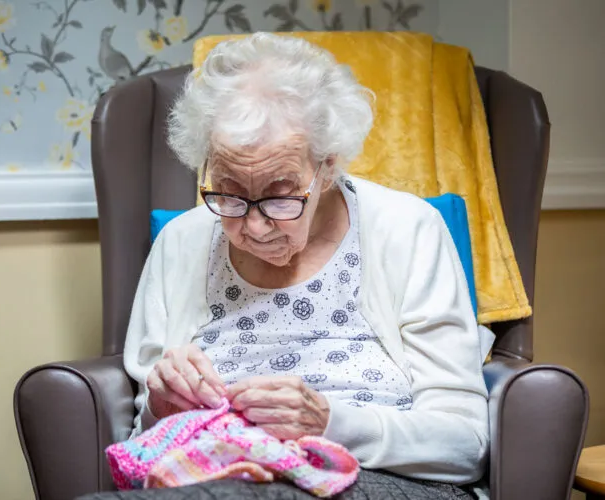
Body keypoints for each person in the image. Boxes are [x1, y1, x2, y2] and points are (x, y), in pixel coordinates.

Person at [124, 32, 488, 493]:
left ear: (328, 167)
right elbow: (144, 448)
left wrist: (329, 424)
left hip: (374, 481)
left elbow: (466, 446)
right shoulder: (181, 242)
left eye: (279, 197)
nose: (254, 227)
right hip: (210, 476)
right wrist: (162, 405)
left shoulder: (407, 228)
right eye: (231, 193)